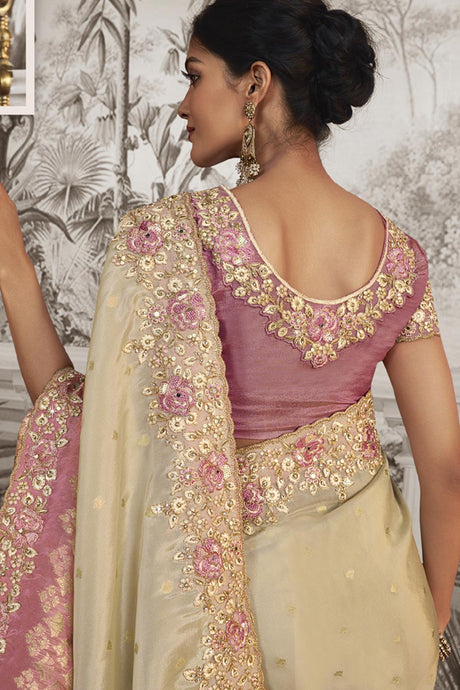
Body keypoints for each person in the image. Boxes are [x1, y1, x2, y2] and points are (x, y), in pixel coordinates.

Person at [0, 0, 459, 687]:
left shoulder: (168, 238)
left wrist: (12, 268)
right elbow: (446, 470)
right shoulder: (400, 258)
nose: (182, 104)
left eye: (194, 75)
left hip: (219, 621)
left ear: (255, 83)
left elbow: (94, 437)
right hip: (381, 617)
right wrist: (429, 621)